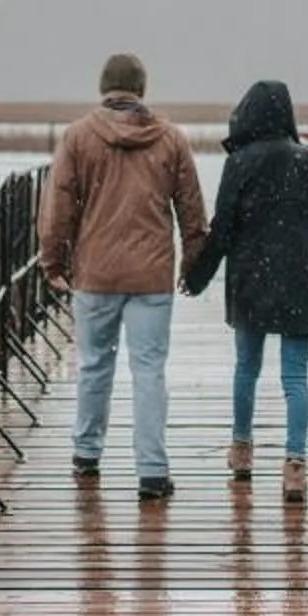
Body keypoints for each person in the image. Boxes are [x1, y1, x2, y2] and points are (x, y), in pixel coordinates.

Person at [38, 52, 208, 503]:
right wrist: (193, 264)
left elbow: (57, 207)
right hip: (151, 274)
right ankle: (152, 470)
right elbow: (192, 210)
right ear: (141, 89)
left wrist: (52, 262)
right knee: (148, 370)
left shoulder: (78, 137)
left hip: (95, 272)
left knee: (95, 364)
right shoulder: (169, 139)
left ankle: (86, 453)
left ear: (103, 87)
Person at [182, 79, 308, 502]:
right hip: (299, 281)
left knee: (247, 367)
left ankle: (242, 452)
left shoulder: (240, 162)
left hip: (251, 280)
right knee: (295, 377)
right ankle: (295, 466)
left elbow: (222, 230)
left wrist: (197, 276)